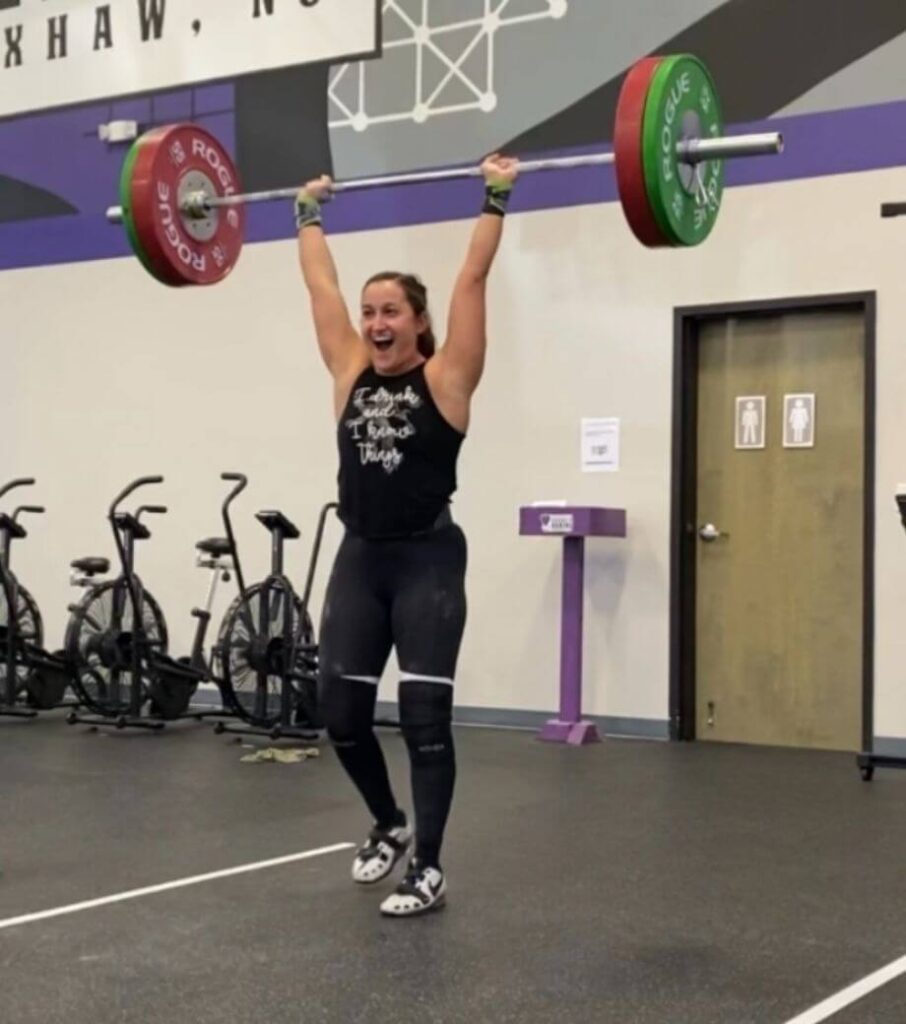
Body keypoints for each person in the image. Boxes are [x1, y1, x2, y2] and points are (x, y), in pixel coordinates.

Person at [295, 153, 518, 916]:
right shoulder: (350, 370)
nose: (376, 323)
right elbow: (319, 287)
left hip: (426, 557)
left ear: (418, 322)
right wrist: (307, 212)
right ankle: (387, 823)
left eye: (391, 311)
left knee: (424, 717)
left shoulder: (447, 379)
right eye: (370, 312)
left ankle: (428, 864)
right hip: (361, 558)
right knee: (341, 717)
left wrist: (494, 196)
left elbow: (472, 282)